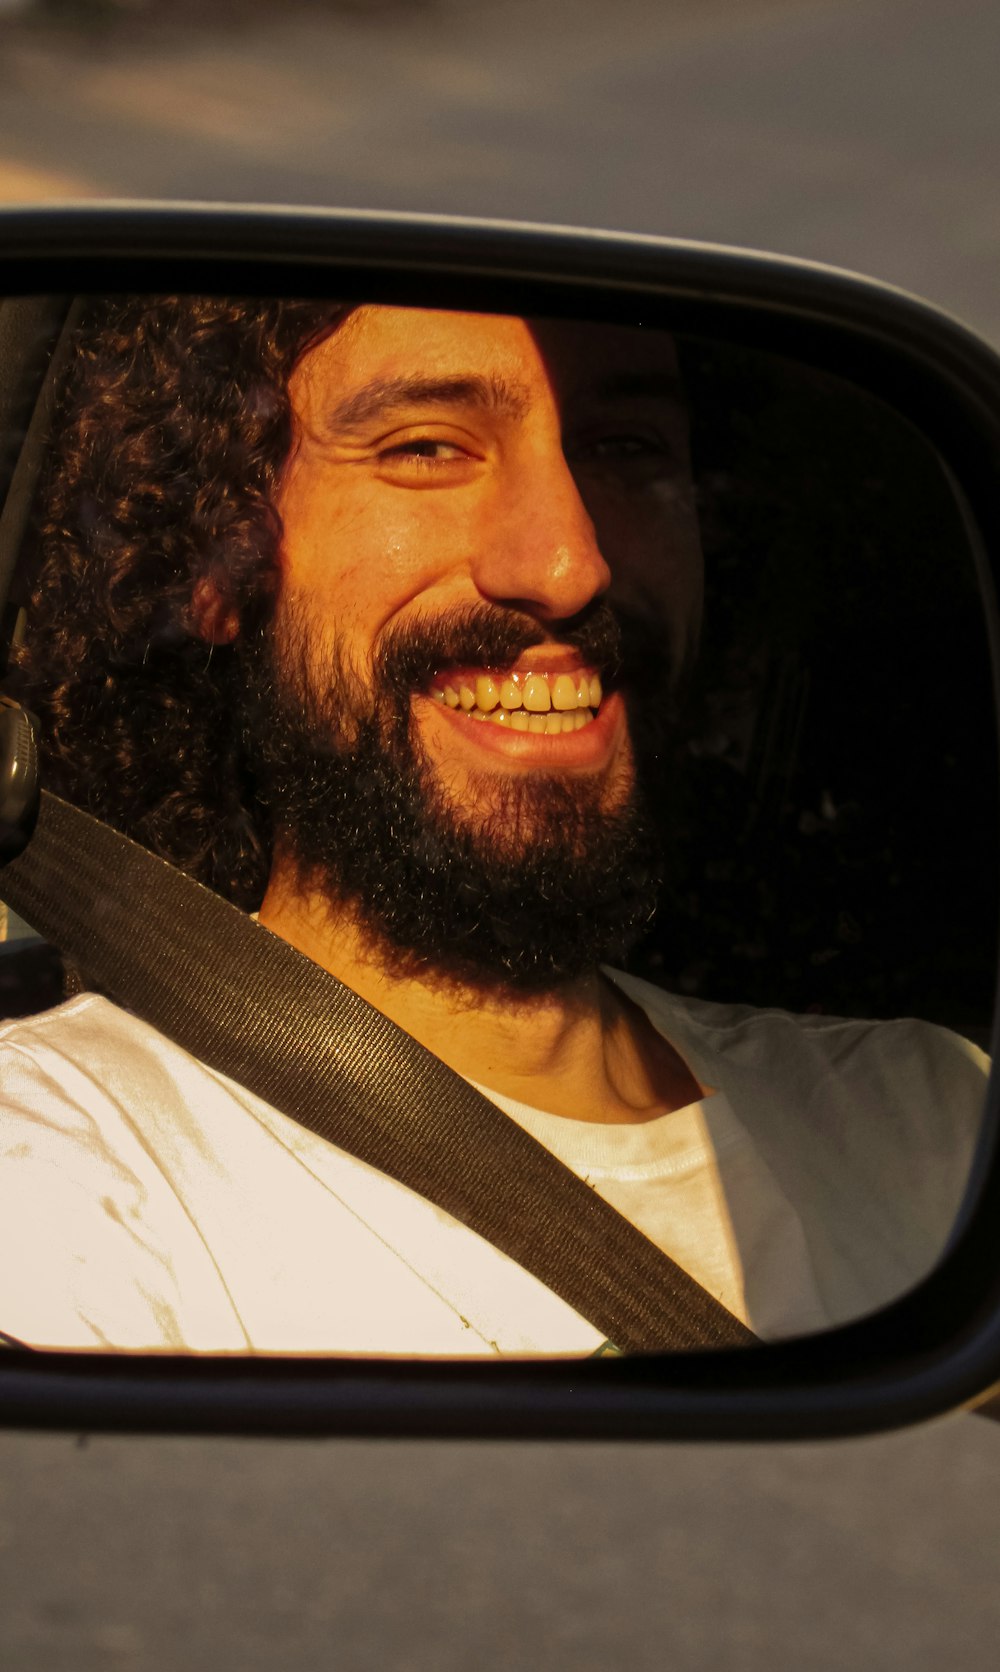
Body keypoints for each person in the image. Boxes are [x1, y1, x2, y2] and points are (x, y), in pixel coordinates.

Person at [0, 297, 988, 1355]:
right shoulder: (67, 1166)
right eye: (426, 447)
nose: (567, 565)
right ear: (216, 556)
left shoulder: (932, 1119)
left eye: (623, 446)